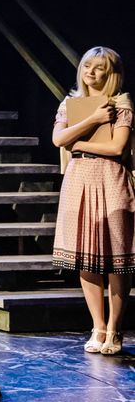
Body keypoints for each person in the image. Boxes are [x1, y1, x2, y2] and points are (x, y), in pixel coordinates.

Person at [51, 47, 135, 355]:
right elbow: (58, 140)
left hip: (110, 178)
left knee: (116, 257)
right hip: (79, 179)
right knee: (85, 253)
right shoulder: (71, 103)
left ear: (111, 74)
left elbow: (117, 148)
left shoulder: (121, 104)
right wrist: (94, 120)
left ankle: (115, 328)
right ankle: (98, 326)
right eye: (87, 65)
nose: (91, 72)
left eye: (99, 68)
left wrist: (78, 142)